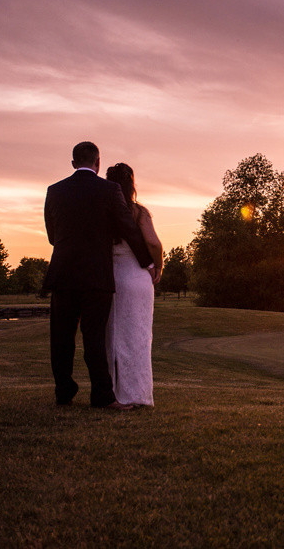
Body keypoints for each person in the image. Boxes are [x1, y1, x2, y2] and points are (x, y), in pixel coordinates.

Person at [42, 142, 156, 410]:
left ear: (73, 163)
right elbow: (128, 229)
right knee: (94, 338)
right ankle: (102, 397)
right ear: (97, 162)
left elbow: (51, 236)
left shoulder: (54, 191)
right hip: (96, 276)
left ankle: (64, 393)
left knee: (61, 338)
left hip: (63, 273)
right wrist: (148, 264)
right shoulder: (110, 190)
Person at [104, 162, 163, 406]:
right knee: (138, 336)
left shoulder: (103, 213)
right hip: (137, 278)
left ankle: (115, 394)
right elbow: (153, 243)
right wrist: (158, 266)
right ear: (131, 183)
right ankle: (138, 394)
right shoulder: (139, 212)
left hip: (110, 277)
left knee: (112, 337)